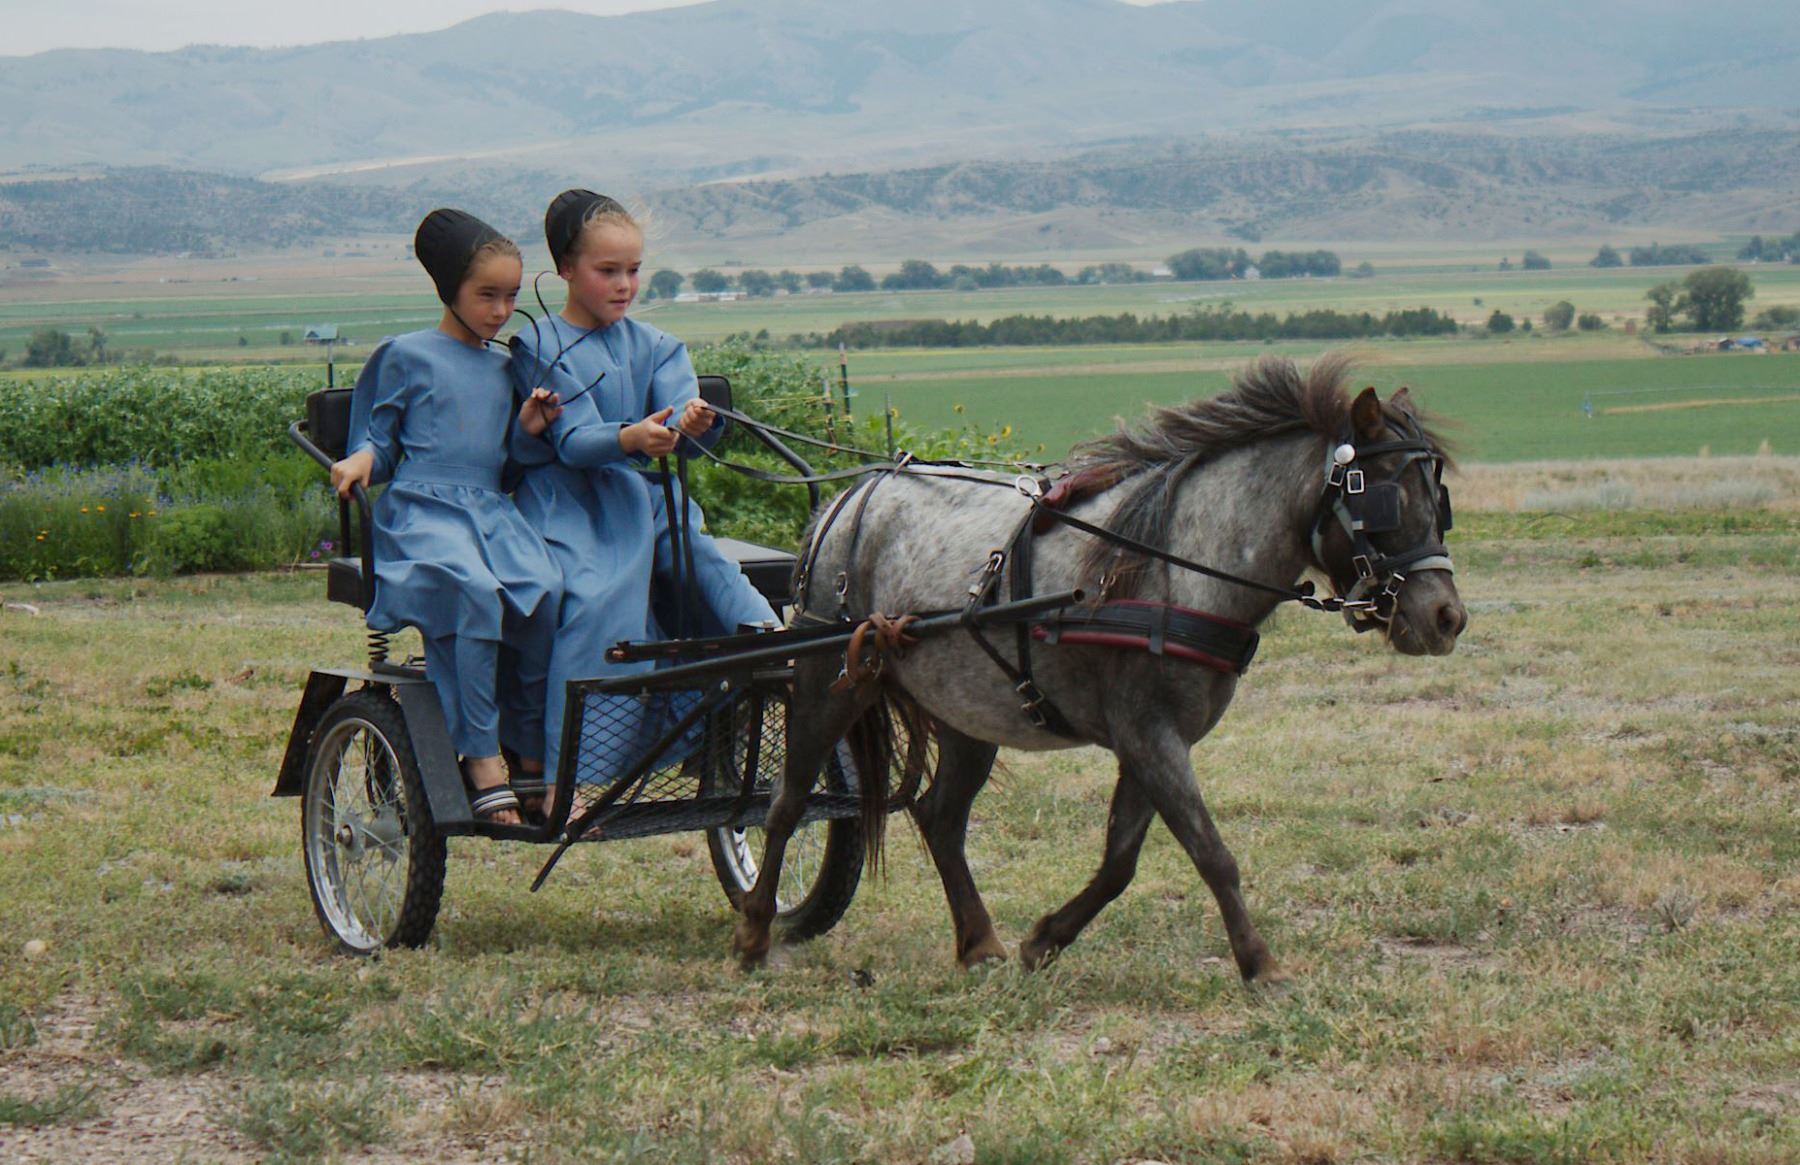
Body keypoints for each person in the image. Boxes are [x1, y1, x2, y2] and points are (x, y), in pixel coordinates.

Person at [510, 190, 778, 789]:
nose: (624, 285)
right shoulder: (539, 345)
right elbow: (572, 442)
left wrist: (691, 422)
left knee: (704, 559)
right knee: (598, 599)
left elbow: (680, 406)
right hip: (570, 506)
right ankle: (572, 777)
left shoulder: (657, 344)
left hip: (647, 498)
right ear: (565, 269)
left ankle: (772, 648)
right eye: (608, 271)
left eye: (633, 270)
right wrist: (631, 437)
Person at [331, 208, 563, 826]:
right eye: (486, 295)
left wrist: (528, 429)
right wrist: (361, 460)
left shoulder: (506, 368)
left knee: (545, 591)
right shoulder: (405, 355)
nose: (501, 310)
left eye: (511, 296)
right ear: (448, 288)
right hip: (424, 512)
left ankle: (530, 749)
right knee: (474, 592)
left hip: (490, 513)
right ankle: (481, 757)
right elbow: (379, 440)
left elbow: (509, 462)